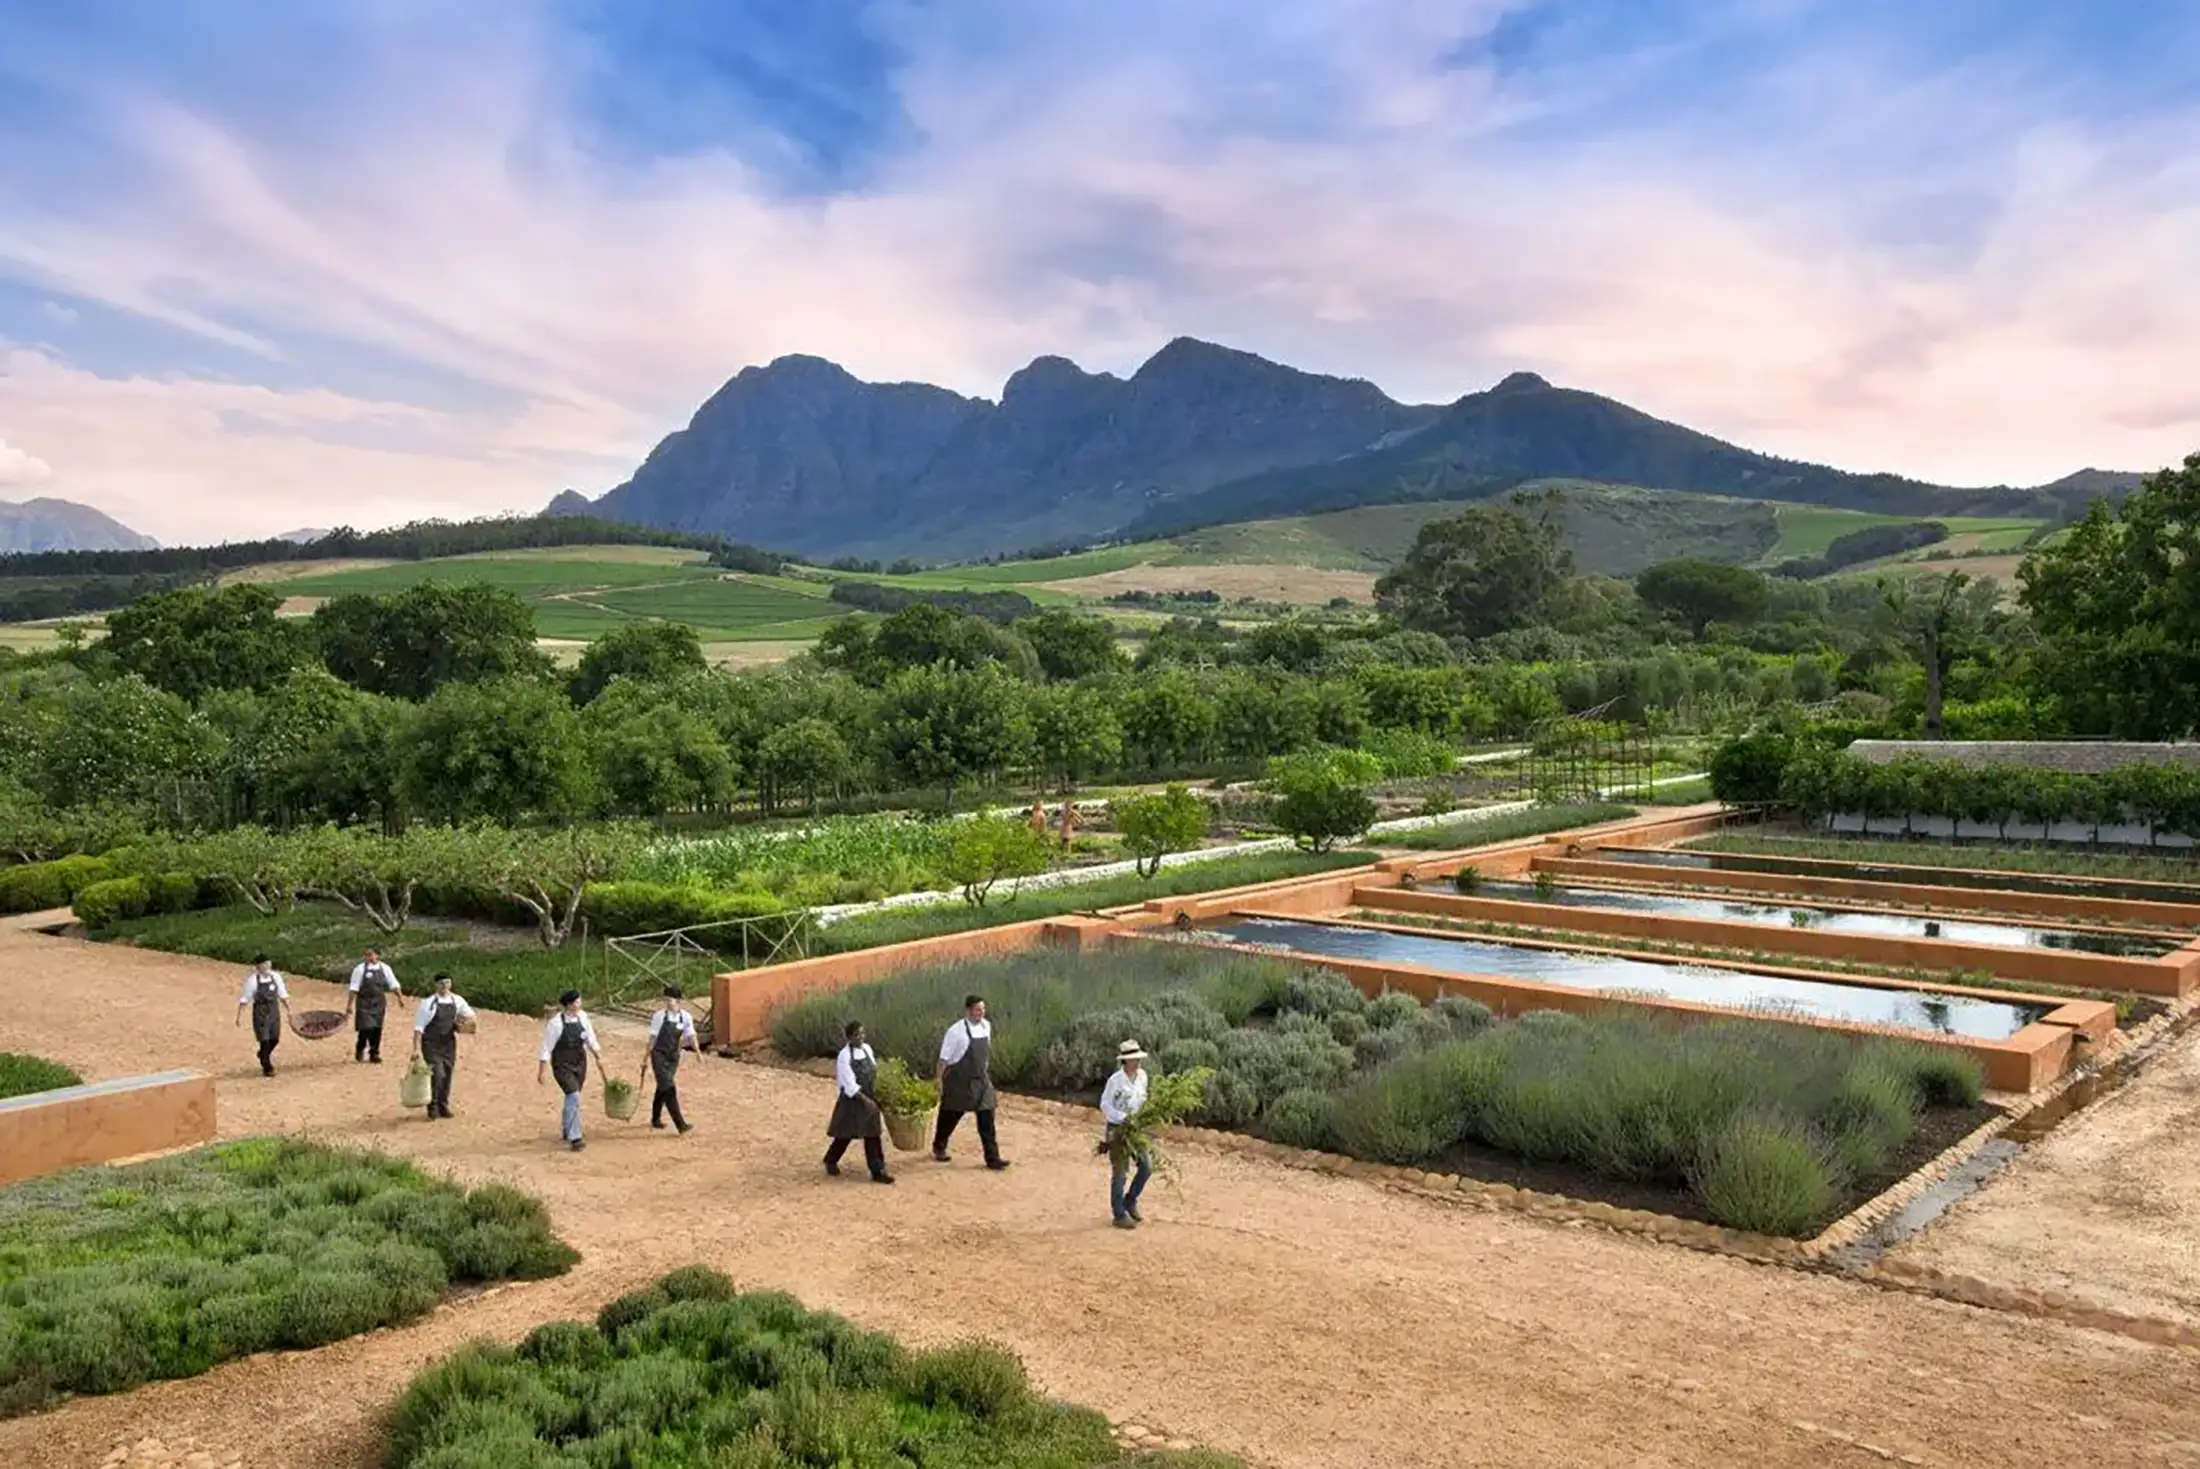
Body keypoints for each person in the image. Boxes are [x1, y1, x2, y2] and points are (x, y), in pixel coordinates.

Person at [932, 994, 1008, 1169]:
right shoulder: (955, 1032)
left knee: (987, 1117)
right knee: (951, 1115)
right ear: (968, 1010)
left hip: (981, 1080)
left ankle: (992, 1158)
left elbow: (985, 1053)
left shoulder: (986, 1026)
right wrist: (939, 1082)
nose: (981, 1012)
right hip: (959, 1080)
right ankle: (939, 1145)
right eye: (977, 1009)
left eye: (983, 1009)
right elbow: (943, 1060)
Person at [824, 1020, 894, 1184]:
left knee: (873, 1134)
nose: (860, 1037)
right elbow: (849, 1084)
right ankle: (831, 1159)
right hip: (853, 1100)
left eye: (862, 1033)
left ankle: (878, 1170)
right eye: (856, 1035)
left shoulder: (867, 1049)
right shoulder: (844, 1056)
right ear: (849, 1037)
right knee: (845, 1134)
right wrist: (865, 1101)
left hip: (870, 1096)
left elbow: (875, 1071)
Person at [537, 989, 604, 1152]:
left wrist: (598, 1056)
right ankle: (576, 1137)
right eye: (577, 1002)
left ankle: (567, 1129)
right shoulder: (556, 1023)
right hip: (562, 1065)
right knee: (573, 1095)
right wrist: (542, 1071)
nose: (579, 1004)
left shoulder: (583, 1017)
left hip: (580, 1063)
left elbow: (589, 1037)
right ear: (569, 1005)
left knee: (572, 1098)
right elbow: (546, 1047)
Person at [1100, 1039, 1153, 1229]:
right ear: (1125, 1061)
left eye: (1138, 1059)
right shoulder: (1115, 1081)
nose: (1138, 1062)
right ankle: (1119, 1213)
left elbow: (1143, 1098)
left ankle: (1130, 1200)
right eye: (1134, 1059)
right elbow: (1105, 1104)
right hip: (1117, 1128)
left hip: (1136, 1128)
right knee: (1120, 1173)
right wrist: (1122, 1117)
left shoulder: (1143, 1077)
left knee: (1146, 1166)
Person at [410, 972, 475, 1119]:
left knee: (447, 1074)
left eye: (447, 982)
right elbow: (419, 1027)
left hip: (449, 1043)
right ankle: (432, 1106)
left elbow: (470, 1015)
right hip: (431, 1043)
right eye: (441, 983)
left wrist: (463, 1024)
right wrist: (415, 1049)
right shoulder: (428, 1003)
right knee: (437, 1074)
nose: (444, 986)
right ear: (436, 985)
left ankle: (443, 1105)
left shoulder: (457, 1000)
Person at [643, 983, 702, 1134]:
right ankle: (680, 1124)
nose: (668, 1003)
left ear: (678, 1001)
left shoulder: (686, 1017)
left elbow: (691, 1035)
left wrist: (698, 1052)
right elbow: (652, 1038)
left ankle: (655, 1119)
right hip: (659, 1055)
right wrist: (645, 1058)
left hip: (673, 1056)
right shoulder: (659, 1016)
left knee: (663, 1086)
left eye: (671, 1000)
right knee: (669, 1088)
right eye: (667, 1000)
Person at [233, 955, 293, 1077]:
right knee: (264, 1040)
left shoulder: (276, 977)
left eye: (268, 964)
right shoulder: (253, 980)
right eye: (264, 964)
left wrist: (289, 1009)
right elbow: (245, 999)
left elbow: (282, 994)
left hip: (274, 1011)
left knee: (274, 1039)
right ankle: (267, 1066)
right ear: (258, 966)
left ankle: (262, 1054)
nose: (267, 967)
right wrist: (239, 1016)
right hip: (261, 1013)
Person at [343, 946, 402, 1064]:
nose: (367, 957)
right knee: (366, 1027)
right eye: (366, 955)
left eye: (370, 954)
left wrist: (400, 997)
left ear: (377, 955)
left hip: (378, 1002)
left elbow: (393, 984)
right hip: (364, 1002)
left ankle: (374, 1053)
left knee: (377, 1028)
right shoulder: (359, 969)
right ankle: (360, 1046)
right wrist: (349, 1005)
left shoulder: (385, 968)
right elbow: (354, 988)